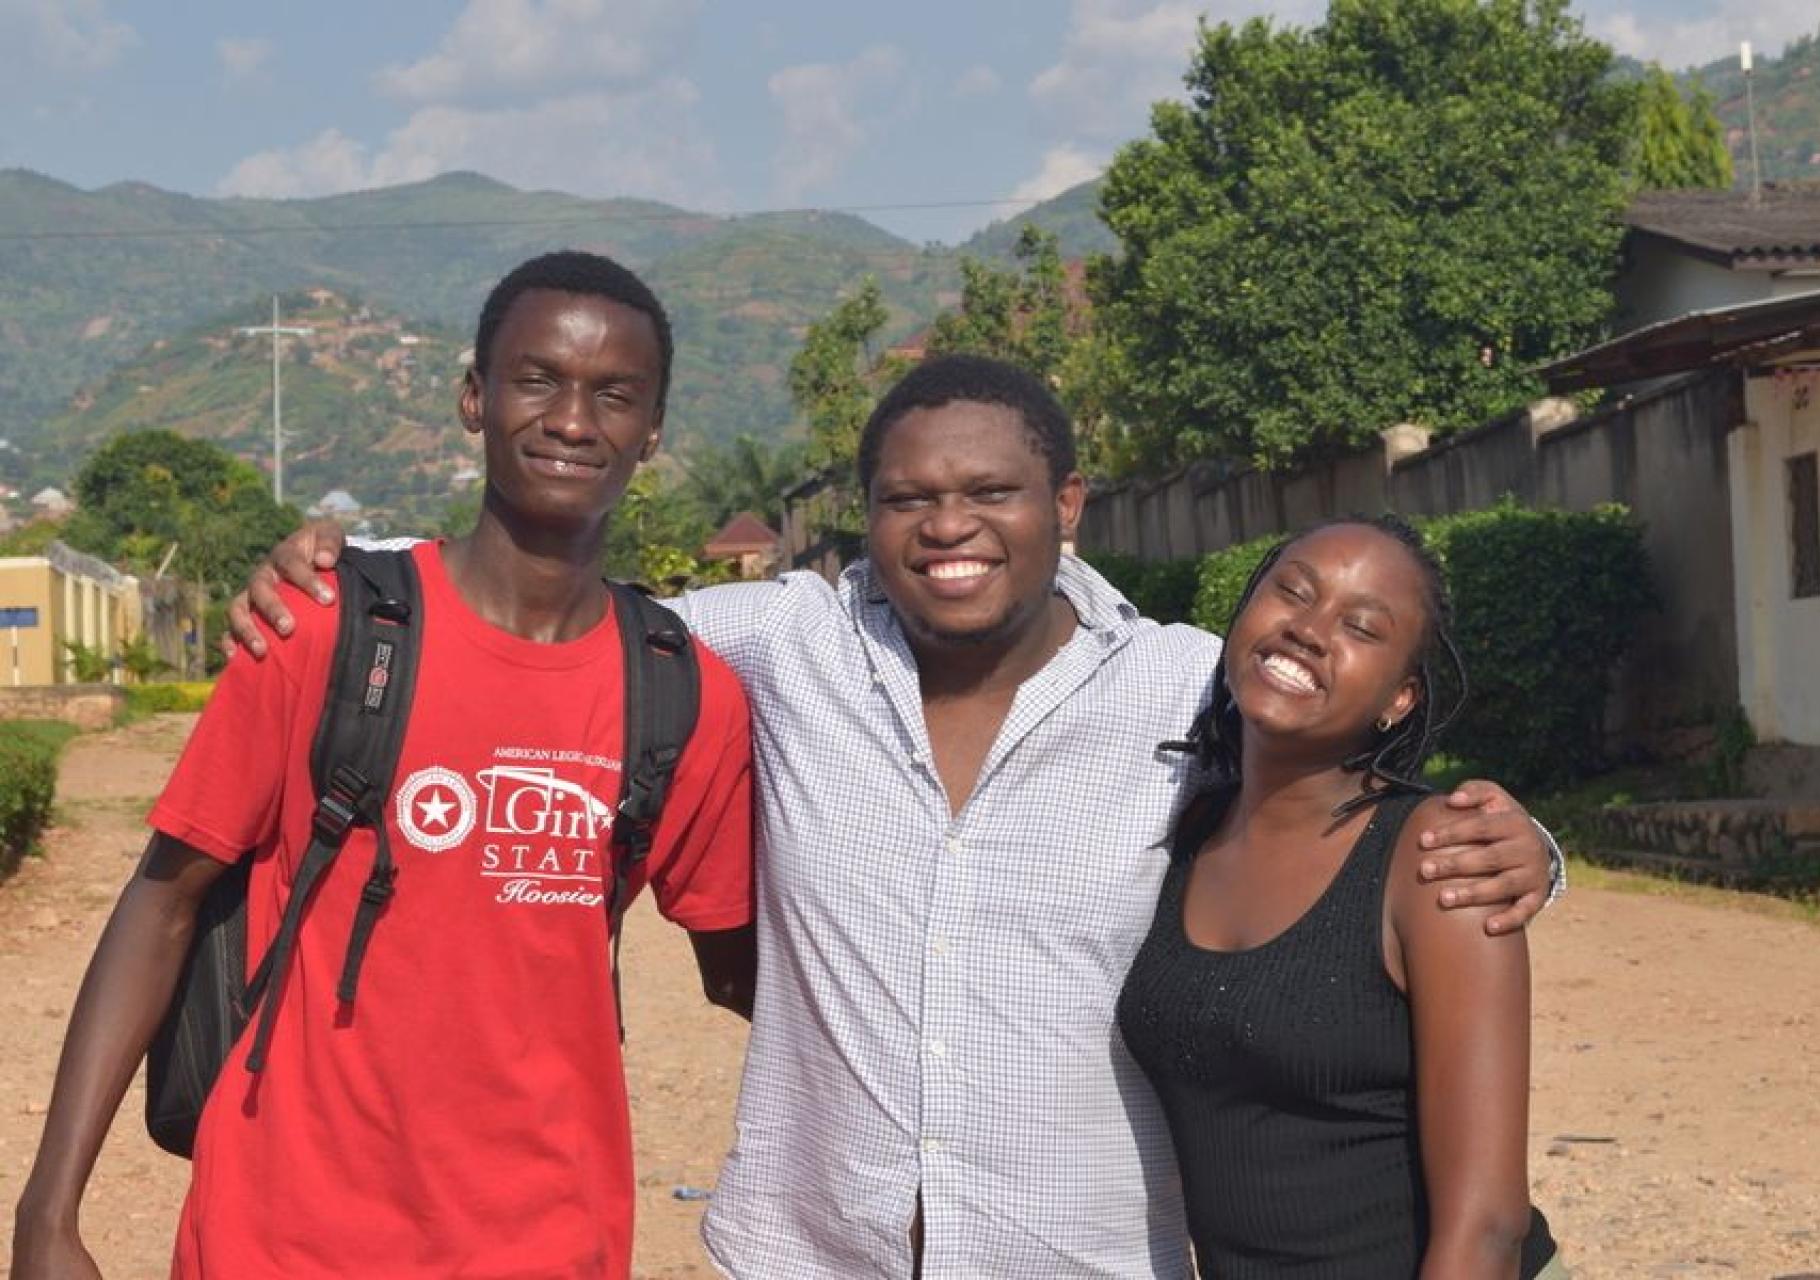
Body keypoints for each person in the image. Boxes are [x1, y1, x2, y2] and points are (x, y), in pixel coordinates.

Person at [226, 354, 1564, 1278]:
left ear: (1068, 508)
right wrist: (358, 574)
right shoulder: (782, 642)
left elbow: (1346, 782)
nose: (949, 527)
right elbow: (548, 631)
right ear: (865, 521)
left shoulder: (1182, 680)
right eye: (910, 499)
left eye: (991, 492)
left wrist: (1528, 847)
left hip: (1086, 1255)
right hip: (818, 1246)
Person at [11, 251, 757, 1279]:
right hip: (279, 1237)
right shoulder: (327, 630)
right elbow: (162, 903)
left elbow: (750, 969)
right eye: (536, 377)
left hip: (548, 1241)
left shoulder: (688, 694)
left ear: (654, 432)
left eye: (615, 394)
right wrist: (47, 1211)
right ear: (473, 396)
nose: (573, 419)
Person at [1118, 516, 1564, 1277]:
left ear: (1400, 698)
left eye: (1361, 627)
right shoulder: (1182, 826)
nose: (1309, 631)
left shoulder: (1435, 860)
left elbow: (1488, 1225)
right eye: (1291, 592)